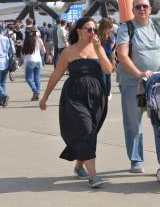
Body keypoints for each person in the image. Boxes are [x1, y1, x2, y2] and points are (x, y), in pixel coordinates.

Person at [39, 17, 112, 188]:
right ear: (78, 30)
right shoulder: (68, 52)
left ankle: (79, 167)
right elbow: (56, 74)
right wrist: (45, 96)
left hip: (96, 96)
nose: (93, 33)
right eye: (89, 29)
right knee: (85, 128)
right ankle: (93, 176)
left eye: (95, 30)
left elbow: (109, 69)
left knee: (89, 133)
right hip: (74, 95)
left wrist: (99, 49)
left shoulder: (98, 48)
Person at [116, 0, 160, 173]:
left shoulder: (158, 27)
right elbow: (122, 55)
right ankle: (136, 160)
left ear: (150, 9)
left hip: (155, 83)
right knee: (134, 123)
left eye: (145, 6)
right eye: (138, 7)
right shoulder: (126, 28)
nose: (142, 9)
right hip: (132, 82)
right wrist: (139, 73)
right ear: (132, 10)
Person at [22, 26, 45, 101]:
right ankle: (37, 93)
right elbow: (43, 51)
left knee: (28, 78)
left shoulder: (25, 41)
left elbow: (23, 53)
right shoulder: (39, 40)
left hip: (29, 60)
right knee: (37, 77)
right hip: (38, 60)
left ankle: (35, 91)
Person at [97, 18, 115, 101]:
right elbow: (112, 47)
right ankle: (108, 94)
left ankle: (101, 92)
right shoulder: (110, 35)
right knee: (108, 75)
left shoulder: (97, 34)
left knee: (100, 75)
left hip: (99, 56)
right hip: (108, 56)